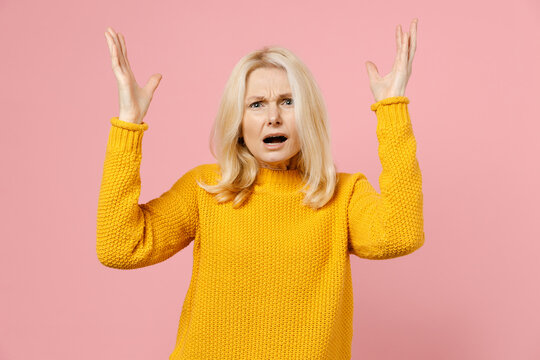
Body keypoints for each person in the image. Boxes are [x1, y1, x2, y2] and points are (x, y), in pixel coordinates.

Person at [98, 18, 424, 360]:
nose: (273, 117)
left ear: (309, 114)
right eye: (256, 104)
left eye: (287, 101)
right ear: (238, 123)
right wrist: (129, 123)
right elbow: (120, 247)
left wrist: (392, 110)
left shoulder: (342, 194)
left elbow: (400, 234)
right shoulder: (207, 189)